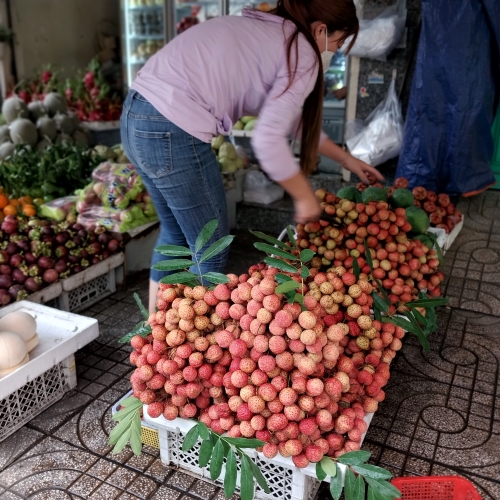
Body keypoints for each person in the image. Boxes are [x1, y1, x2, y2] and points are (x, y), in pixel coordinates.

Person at [121, 0, 384, 312]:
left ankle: (155, 331)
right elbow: (268, 140)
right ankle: (190, 344)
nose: (333, 52)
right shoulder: (300, 51)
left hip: (136, 116)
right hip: (174, 127)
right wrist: (304, 197)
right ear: (321, 30)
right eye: (337, 43)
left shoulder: (268, 26)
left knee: (176, 233)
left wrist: (345, 159)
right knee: (211, 247)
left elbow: (291, 120)